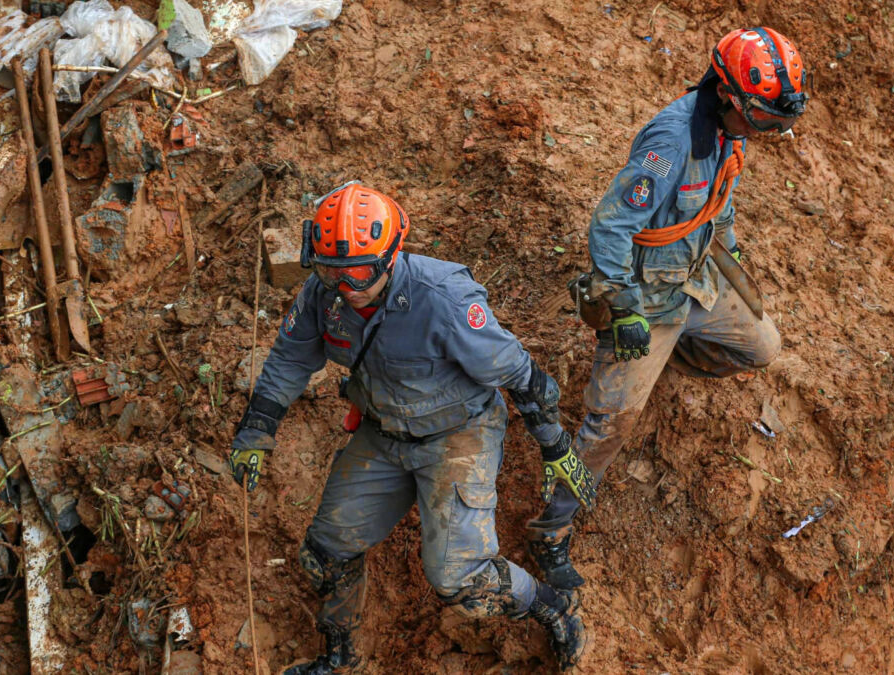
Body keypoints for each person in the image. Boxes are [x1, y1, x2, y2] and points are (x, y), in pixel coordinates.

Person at [229, 183, 597, 673]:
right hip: (383, 434)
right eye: (329, 270)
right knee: (325, 552)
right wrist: (256, 430)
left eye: (358, 271)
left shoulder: (442, 298)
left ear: (389, 257)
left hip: (457, 435)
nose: (344, 285)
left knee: (458, 579)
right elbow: (289, 359)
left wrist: (555, 446)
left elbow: (516, 371)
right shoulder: (324, 294)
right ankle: (344, 657)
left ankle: (553, 605)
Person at [527, 27, 810, 589]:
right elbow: (610, 225)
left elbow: (720, 203)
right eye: (768, 120)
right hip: (646, 298)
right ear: (731, 96)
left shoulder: (732, 133)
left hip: (695, 281)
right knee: (611, 424)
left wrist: (729, 259)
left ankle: (670, 359)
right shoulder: (673, 140)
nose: (774, 131)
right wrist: (624, 308)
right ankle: (551, 527)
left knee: (763, 345)